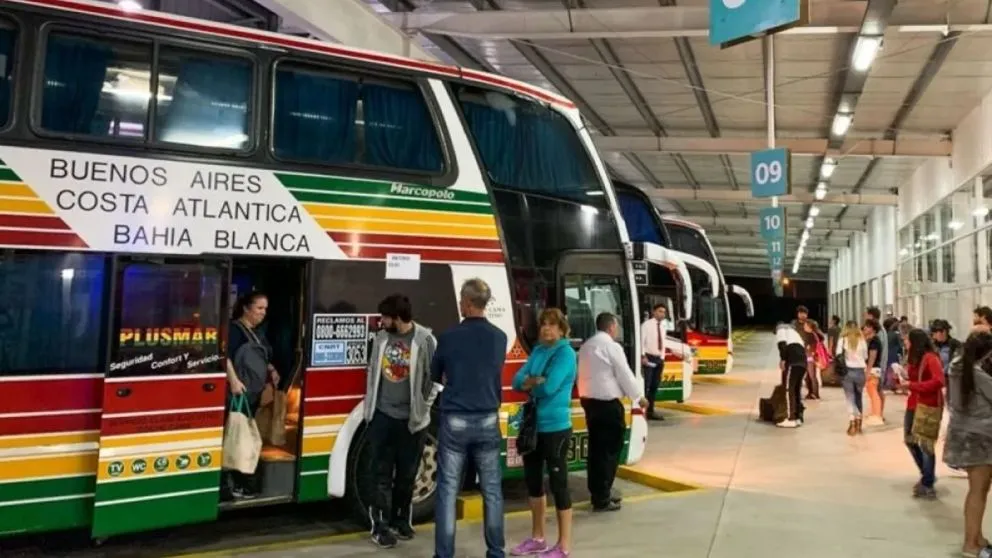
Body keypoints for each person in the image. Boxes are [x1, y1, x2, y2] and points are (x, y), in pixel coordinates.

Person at [432, 279, 507, 558]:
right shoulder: (499, 337)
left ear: (466, 302)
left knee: (448, 489)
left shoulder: (449, 337)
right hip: (487, 417)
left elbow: (434, 374)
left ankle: (444, 554)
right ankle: (496, 551)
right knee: (492, 490)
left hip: (455, 419)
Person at [362, 294, 439, 548]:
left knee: (407, 475)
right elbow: (372, 372)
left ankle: (401, 521)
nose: (381, 322)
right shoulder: (380, 338)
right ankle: (381, 527)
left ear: (397, 318)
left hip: (412, 422)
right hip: (382, 417)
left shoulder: (425, 340)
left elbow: (435, 379)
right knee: (380, 474)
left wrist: (423, 408)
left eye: (385, 318)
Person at [510, 308, 577, 558]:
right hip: (533, 427)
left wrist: (531, 383)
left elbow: (549, 388)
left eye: (552, 324)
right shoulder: (538, 351)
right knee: (533, 482)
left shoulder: (566, 354)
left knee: (559, 485)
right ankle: (537, 537)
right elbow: (516, 381)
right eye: (543, 324)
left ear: (562, 329)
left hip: (556, 428)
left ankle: (563, 545)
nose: (547, 329)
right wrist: (533, 381)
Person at [578, 312, 648, 512]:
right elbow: (624, 373)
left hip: (589, 403)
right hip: (608, 405)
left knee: (596, 451)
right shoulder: (611, 346)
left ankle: (599, 493)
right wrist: (639, 397)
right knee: (609, 452)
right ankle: (603, 497)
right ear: (611, 327)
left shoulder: (586, 346)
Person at [224, 291, 280, 500]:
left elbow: (263, 356)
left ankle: (242, 482)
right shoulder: (234, 330)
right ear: (246, 309)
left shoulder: (256, 332)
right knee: (237, 437)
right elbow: (225, 357)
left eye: (265, 309)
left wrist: (271, 369)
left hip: (253, 394)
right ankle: (233, 484)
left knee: (246, 437)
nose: (263, 313)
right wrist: (234, 381)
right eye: (259, 308)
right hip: (238, 394)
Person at [945, 331, 992, 557]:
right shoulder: (977, 375)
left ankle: (977, 537)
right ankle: (970, 544)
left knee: (978, 490)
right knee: (978, 491)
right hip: (980, 437)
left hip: (963, 434)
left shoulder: (956, 368)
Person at [898, 328, 945, 500]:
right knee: (909, 439)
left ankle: (928, 482)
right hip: (914, 402)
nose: (905, 343)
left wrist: (913, 385)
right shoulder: (914, 359)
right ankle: (927, 474)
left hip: (928, 405)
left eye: (907, 340)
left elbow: (939, 381)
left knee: (926, 444)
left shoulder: (931, 358)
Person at [836, 320, 868, 435]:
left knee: (850, 398)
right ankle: (859, 422)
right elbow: (865, 356)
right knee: (859, 397)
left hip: (847, 372)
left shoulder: (842, 340)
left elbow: (838, 355)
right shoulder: (862, 340)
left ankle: (852, 422)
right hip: (860, 372)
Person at [775, 322, 807, 428]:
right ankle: (798, 417)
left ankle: (790, 418)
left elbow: (782, 345)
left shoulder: (781, 330)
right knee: (797, 390)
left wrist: (783, 359)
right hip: (803, 363)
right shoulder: (795, 333)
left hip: (793, 363)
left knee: (789, 389)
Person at [639, 303, 667, 421]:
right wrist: (642, 356)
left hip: (659, 358)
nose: (662, 314)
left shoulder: (663, 326)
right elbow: (641, 341)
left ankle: (651, 411)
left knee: (654, 386)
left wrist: (662, 357)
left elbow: (663, 342)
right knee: (646, 385)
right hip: (648, 358)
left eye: (664, 312)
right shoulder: (646, 325)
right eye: (660, 311)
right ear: (654, 312)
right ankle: (642, 412)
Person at [863, 319, 886, 426]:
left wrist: (867, 371)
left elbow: (872, 357)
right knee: (872, 392)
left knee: (873, 393)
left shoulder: (875, 341)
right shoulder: (871, 340)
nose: (865, 328)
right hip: (872, 369)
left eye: (867, 326)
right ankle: (874, 413)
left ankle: (877, 414)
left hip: (873, 369)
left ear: (872, 328)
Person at [801, 320, 825, 400]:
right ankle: (811, 393)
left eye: (805, 325)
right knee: (808, 377)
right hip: (811, 358)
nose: (804, 327)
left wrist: (810, 357)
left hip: (810, 358)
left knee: (812, 376)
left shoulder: (810, 336)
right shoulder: (814, 334)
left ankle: (815, 393)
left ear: (809, 327)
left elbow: (810, 348)